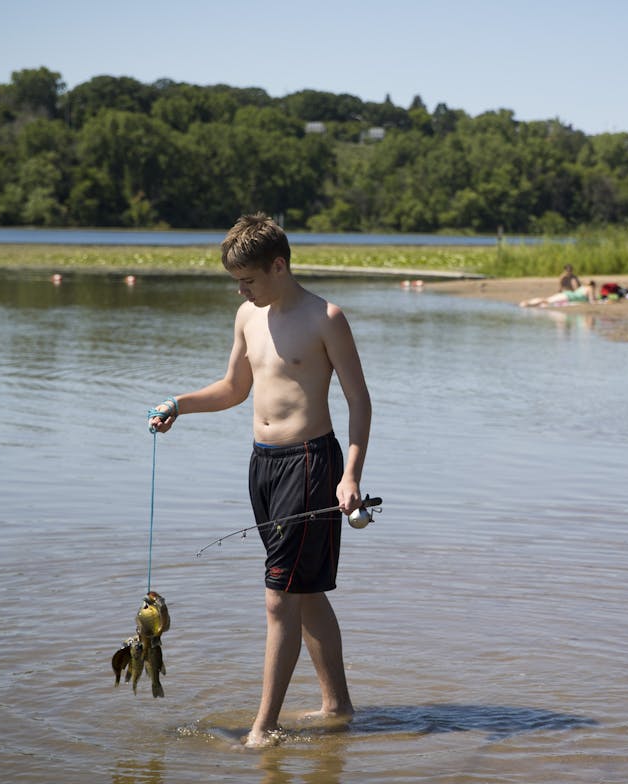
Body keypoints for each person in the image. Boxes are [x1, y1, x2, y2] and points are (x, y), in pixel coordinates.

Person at [148, 213, 371, 748]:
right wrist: (180, 404)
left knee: (279, 598)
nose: (242, 289)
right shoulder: (248, 316)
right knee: (306, 592)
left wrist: (351, 475)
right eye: (237, 282)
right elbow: (232, 388)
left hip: (313, 465)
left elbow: (359, 401)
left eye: (249, 279)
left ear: (278, 264)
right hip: (263, 467)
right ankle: (337, 708)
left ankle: (262, 728)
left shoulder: (326, 317)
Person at [520, 280, 598, 307]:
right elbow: (591, 301)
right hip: (568, 296)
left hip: (567, 294)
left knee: (546, 300)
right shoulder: (590, 288)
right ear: (593, 285)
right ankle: (528, 304)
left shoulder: (582, 288)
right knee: (547, 301)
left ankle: (528, 302)